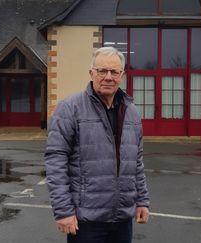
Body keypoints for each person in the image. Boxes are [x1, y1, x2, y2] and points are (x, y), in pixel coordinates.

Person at [45, 46, 150, 243]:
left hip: (122, 220)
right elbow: (55, 161)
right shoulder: (70, 108)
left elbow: (136, 162)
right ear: (91, 73)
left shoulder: (132, 112)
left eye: (114, 72)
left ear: (122, 75)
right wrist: (63, 211)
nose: (108, 77)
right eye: (102, 71)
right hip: (86, 221)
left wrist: (142, 200)